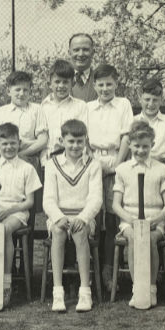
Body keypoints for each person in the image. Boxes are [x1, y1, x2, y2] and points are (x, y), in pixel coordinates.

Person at [0, 123, 42, 308]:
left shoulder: (27, 168)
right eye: (4, 144)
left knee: (4, 230)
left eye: (13, 143)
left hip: (17, 211)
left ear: (19, 143)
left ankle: (5, 283)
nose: (9, 147)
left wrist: (10, 210)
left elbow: (29, 202)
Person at [112, 121, 165, 307]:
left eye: (145, 146)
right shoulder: (122, 169)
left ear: (152, 145)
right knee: (133, 237)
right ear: (129, 144)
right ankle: (137, 288)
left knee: (149, 238)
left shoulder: (161, 169)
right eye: (136, 146)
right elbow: (116, 204)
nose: (140, 150)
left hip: (154, 220)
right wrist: (130, 220)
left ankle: (151, 288)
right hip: (129, 220)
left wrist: (154, 220)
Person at [43, 119, 102, 312]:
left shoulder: (94, 165)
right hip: (59, 216)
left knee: (79, 232)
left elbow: (95, 199)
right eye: (71, 141)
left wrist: (83, 218)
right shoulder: (52, 164)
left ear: (86, 140)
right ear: (62, 140)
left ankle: (85, 291)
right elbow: (48, 199)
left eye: (79, 141)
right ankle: (57, 292)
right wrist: (58, 217)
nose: (75, 146)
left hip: (83, 217)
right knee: (59, 232)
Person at [86, 64, 133, 292]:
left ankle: (109, 269)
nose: (105, 88)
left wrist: (119, 162)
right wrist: (92, 162)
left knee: (113, 218)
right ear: (94, 85)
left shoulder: (123, 104)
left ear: (116, 83)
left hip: (117, 160)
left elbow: (126, 136)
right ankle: (91, 269)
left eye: (109, 84)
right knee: (94, 215)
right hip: (93, 160)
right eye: (101, 84)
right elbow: (83, 138)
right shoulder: (87, 108)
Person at [0, 71, 48, 172]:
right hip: (3, 157)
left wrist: (21, 155)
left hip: (29, 157)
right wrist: (8, 156)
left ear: (30, 92)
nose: (21, 94)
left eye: (25, 90)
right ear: (9, 91)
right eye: (17, 90)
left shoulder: (37, 109)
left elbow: (43, 140)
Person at [41, 59, 88, 164]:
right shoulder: (43, 107)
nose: (61, 86)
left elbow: (84, 134)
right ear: (50, 84)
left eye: (65, 82)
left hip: (74, 158)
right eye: (57, 82)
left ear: (73, 83)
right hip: (48, 160)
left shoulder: (80, 106)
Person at [134, 77, 165, 180]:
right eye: (147, 99)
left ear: (161, 100)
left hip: (163, 167)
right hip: (139, 167)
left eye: (155, 100)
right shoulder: (133, 121)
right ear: (140, 99)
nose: (151, 104)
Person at [68, 33, 97, 102]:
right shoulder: (54, 82)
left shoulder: (104, 80)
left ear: (93, 53)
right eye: (76, 50)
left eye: (85, 50)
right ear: (69, 53)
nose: (81, 54)